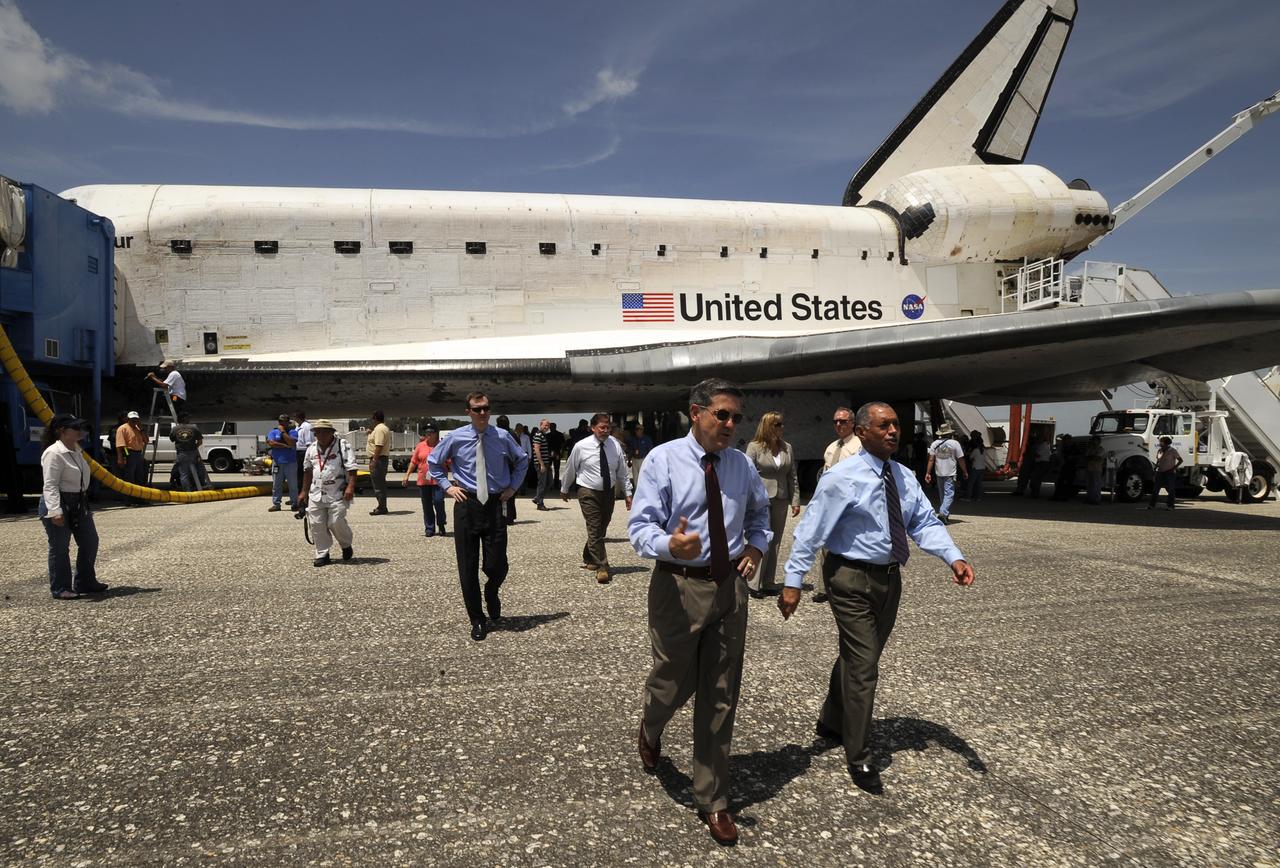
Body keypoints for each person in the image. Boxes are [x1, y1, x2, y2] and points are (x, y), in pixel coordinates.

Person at [779, 402, 973, 795]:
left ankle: (832, 719)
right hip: (849, 577)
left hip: (888, 579)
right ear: (863, 431)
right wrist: (793, 580)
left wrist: (953, 556)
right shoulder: (841, 477)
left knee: (858, 656)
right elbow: (811, 530)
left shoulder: (902, 476)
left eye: (896, 425)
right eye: (883, 425)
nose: (893, 431)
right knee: (864, 665)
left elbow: (922, 521)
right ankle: (859, 753)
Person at [628, 378, 770, 845]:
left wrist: (755, 545)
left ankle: (713, 797)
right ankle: (652, 725)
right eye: (722, 415)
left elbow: (760, 514)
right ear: (697, 412)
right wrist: (669, 543)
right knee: (671, 679)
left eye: (736, 417)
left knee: (721, 691)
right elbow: (640, 526)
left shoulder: (741, 465)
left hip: (729, 588)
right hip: (677, 586)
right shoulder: (663, 459)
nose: (731, 425)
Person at [427, 392, 528, 641]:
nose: (482, 413)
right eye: (477, 409)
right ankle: (477, 619)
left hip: (494, 504)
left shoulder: (502, 437)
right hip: (467, 504)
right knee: (467, 566)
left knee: (497, 564)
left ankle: (491, 590)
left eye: (486, 409)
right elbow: (433, 462)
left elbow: (523, 460)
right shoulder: (456, 437)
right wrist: (447, 486)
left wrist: (513, 488)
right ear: (468, 412)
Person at [39, 414, 107, 599]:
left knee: (90, 541)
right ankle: (60, 587)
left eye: (81, 428)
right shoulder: (54, 453)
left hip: (78, 501)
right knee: (60, 547)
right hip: (59, 501)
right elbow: (50, 484)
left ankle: (85, 581)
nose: (80, 432)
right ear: (62, 431)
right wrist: (55, 511)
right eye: (75, 428)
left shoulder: (76, 449)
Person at [561, 413, 633, 584]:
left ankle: (589, 557)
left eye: (608, 427)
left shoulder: (614, 445)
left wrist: (628, 493)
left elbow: (622, 471)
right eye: (602, 427)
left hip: (608, 491)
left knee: (602, 526)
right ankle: (602, 566)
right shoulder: (581, 446)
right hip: (587, 491)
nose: (605, 430)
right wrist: (565, 488)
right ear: (593, 428)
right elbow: (571, 468)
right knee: (594, 526)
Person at [744, 411, 800, 598]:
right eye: (778, 424)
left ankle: (768, 582)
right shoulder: (755, 447)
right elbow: (747, 476)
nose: (782, 427)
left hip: (781, 498)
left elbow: (792, 475)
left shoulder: (787, 448)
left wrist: (795, 500)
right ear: (768, 426)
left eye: (782, 424)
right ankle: (753, 583)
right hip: (761, 499)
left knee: (776, 541)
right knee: (762, 539)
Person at [813, 406, 862, 603]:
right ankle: (824, 588)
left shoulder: (859, 446)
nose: (839, 425)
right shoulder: (832, 447)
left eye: (843, 421)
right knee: (825, 546)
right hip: (830, 503)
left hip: (849, 504)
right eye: (836, 421)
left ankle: (849, 587)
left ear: (852, 423)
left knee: (849, 545)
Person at [298, 419, 357, 567]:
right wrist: (304, 492)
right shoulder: (311, 449)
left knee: (335, 522)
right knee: (316, 524)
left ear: (331, 432)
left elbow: (352, 469)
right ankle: (322, 554)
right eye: (318, 432)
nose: (321, 435)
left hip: (337, 491)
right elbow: (307, 471)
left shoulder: (342, 446)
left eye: (325, 431)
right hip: (316, 492)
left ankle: (345, 544)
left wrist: (350, 487)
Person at [404, 426, 447, 536]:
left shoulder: (442, 446)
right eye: (427, 432)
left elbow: (450, 462)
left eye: (431, 432)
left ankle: (441, 524)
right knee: (427, 505)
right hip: (424, 481)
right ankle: (429, 528)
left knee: (438, 502)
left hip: (439, 480)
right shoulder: (420, 446)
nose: (428, 434)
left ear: (436, 433)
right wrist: (407, 475)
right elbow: (414, 461)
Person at [925, 424, 967, 523]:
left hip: (938, 472)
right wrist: (965, 470)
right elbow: (960, 459)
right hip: (950, 472)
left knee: (942, 494)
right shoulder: (955, 443)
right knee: (949, 494)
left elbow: (931, 460)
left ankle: (945, 515)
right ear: (950, 433)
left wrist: (928, 473)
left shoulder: (934, 444)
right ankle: (943, 513)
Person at [266, 413, 298, 512]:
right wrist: (285, 446)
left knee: (293, 485)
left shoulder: (293, 432)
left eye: (283, 421)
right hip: (277, 462)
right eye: (280, 421)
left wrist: (283, 432)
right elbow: (271, 443)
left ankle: (294, 503)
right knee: (276, 484)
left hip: (291, 462)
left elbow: (292, 442)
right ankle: (276, 504)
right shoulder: (273, 431)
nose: (281, 423)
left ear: (288, 422)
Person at [114, 410, 150, 496]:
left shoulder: (138, 429)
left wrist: (142, 430)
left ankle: (139, 497)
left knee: (140, 477)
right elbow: (120, 445)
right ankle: (129, 499)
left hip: (138, 454)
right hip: (129, 453)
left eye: (136, 419)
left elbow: (146, 440)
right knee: (129, 478)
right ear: (128, 419)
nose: (134, 421)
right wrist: (121, 458)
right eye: (132, 419)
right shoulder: (122, 428)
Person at [169, 412, 204, 492]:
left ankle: (187, 493)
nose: (189, 419)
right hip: (193, 453)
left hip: (181, 454)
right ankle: (198, 488)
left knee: (184, 475)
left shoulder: (175, 429)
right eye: (187, 417)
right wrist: (194, 447)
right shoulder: (194, 428)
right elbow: (200, 442)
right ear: (183, 418)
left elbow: (172, 439)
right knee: (196, 471)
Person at [495, 415, 519, 525]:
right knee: (510, 492)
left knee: (499, 493)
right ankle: (510, 516)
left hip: (501, 466)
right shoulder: (512, 434)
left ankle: (503, 516)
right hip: (511, 466)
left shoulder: (496, 434)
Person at [367, 410, 391, 515]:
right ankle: (381, 506)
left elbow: (379, 445)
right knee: (379, 484)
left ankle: (382, 507)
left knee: (378, 485)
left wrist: (374, 461)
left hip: (378, 459)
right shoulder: (381, 429)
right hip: (380, 459)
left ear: (375, 418)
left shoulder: (379, 429)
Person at [1149, 435, 1183, 509]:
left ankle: (1170, 505)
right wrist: (1155, 469)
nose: (1160, 443)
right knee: (1155, 489)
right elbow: (1158, 461)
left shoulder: (1172, 451)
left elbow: (1180, 460)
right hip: (1160, 472)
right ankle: (1152, 505)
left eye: (1162, 442)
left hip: (1169, 472)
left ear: (1166, 443)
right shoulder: (1160, 450)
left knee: (1170, 489)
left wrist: (1174, 468)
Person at [531, 419, 552, 510]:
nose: (546, 427)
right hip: (541, 464)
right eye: (545, 425)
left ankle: (537, 498)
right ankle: (540, 504)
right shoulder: (538, 435)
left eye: (548, 426)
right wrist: (542, 464)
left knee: (549, 482)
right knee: (542, 484)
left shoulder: (544, 435)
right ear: (540, 425)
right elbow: (536, 450)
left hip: (546, 463)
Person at [1028, 433, 1053, 498]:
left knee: (1035, 478)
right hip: (1042, 463)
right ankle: (1034, 493)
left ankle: (1035, 493)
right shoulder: (1044, 445)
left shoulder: (1043, 445)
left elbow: (1038, 454)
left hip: (1042, 463)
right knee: (1036, 479)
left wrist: (1032, 452)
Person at [630, 423, 654, 489]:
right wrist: (629, 460)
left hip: (643, 459)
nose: (637, 431)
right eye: (636, 429)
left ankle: (644, 489)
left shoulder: (647, 439)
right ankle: (637, 490)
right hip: (635, 459)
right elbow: (631, 450)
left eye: (638, 429)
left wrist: (650, 461)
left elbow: (650, 450)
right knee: (635, 477)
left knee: (643, 476)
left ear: (642, 430)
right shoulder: (633, 439)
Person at [965, 431, 988, 501]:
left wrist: (968, 453)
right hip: (982, 467)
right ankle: (978, 497)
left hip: (975, 467)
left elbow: (970, 457)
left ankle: (968, 497)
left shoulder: (975, 449)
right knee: (979, 483)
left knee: (971, 483)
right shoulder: (983, 450)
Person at [1085, 435, 1106, 505]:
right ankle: (1089, 498)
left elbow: (1098, 458)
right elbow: (1086, 457)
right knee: (1089, 485)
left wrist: (1091, 457)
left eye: (1095, 440)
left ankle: (1096, 499)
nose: (1093, 442)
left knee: (1096, 484)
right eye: (1093, 440)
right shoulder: (1090, 449)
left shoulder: (1101, 449)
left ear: (1099, 442)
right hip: (1089, 468)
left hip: (1097, 469)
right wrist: (1092, 457)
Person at [546, 422, 566, 486]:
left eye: (553, 427)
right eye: (551, 427)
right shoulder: (547, 435)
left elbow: (563, 444)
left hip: (557, 454)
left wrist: (561, 452)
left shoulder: (560, 434)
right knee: (548, 469)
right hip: (548, 454)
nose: (552, 428)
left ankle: (556, 484)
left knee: (557, 469)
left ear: (555, 427)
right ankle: (549, 483)